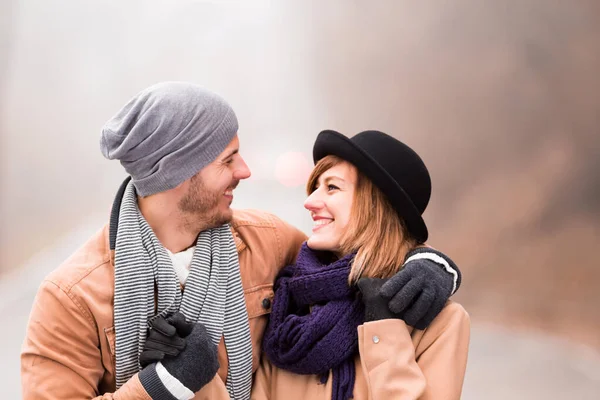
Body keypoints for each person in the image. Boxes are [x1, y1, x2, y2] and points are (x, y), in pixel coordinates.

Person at [21, 83, 462, 400]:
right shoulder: (72, 297)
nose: (246, 170)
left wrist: (429, 263)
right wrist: (161, 386)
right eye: (228, 158)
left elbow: (365, 253)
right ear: (179, 171)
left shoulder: (270, 247)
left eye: (330, 187)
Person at [253, 130, 470, 400]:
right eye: (315, 188)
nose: (309, 202)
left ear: (375, 205)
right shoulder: (290, 307)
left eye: (332, 187)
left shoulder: (441, 322)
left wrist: (384, 330)